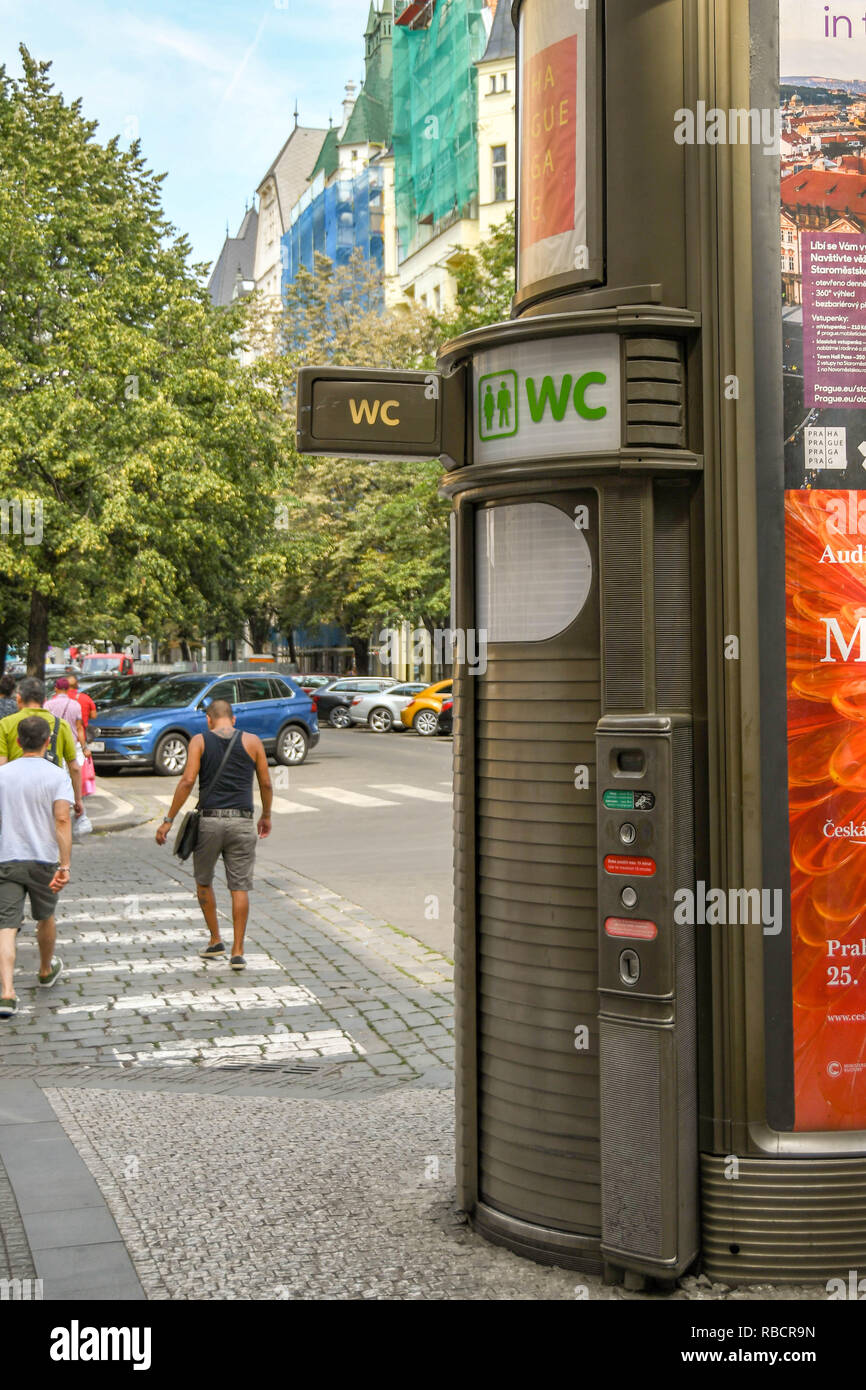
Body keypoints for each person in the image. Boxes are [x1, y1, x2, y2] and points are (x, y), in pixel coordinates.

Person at [155, 700, 272, 971]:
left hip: (209, 822)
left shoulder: (199, 741)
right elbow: (266, 782)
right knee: (239, 886)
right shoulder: (253, 741)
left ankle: (215, 939)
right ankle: (238, 951)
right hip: (242, 822)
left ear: (210, 719)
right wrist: (266, 815)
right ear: (233, 719)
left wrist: (168, 820)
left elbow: (187, 781)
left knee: (204, 881)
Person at [0, 716, 72, 1017]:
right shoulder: (56, 775)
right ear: (47, 742)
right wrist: (65, 864)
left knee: (6, 925)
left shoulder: (2, 774)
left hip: (7, 857)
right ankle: (45, 969)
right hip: (43, 858)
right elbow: (62, 819)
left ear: (18, 742)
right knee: (45, 916)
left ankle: (7, 993)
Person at [0, 678, 83, 815]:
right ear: (44, 699)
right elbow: (74, 767)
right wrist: (77, 799)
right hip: (51, 795)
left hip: (16, 796)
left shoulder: (5, 724)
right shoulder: (61, 725)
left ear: (19, 699)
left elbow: (2, 764)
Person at [45, 677, 86, 750]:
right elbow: (79, 728)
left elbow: (44, 725)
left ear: (56, 688)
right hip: (71, 743)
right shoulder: (76, 705)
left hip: (54, 743)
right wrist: (84, 747)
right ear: (68, 689)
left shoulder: (48, 704)